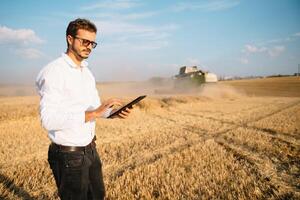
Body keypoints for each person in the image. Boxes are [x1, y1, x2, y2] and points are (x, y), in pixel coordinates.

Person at [35, 18, 131, 200]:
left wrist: (112, 113)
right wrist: (94, 113)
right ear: (70, 39)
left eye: (92, 43)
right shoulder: (54, 72)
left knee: (98, 196)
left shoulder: (86, 72)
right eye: (84, 41)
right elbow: (48, 120)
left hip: (90, 149)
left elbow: (94, 108)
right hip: (69, 155)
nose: (89, 46)